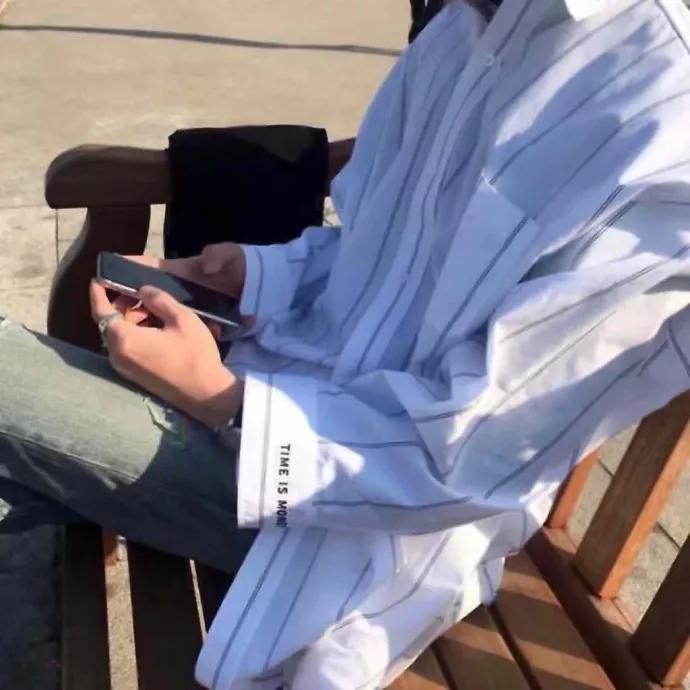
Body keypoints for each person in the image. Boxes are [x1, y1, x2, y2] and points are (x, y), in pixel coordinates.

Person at [3, 0, 690, 687]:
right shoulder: (463, 27)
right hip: (275, 391)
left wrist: (222, 400)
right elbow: (376, 248)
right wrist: (251, 275)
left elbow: (480, 458)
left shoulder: (664, 119)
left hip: (359, 526)